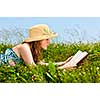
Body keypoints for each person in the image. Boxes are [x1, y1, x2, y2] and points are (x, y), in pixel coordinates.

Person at [0, 24, 74, 69]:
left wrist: (64, 62)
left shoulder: (32, 49)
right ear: (38, 40)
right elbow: (33, 68)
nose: (49, 42)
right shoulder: (24, 47)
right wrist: (63, 68)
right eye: (46, 39)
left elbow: (41, 64)